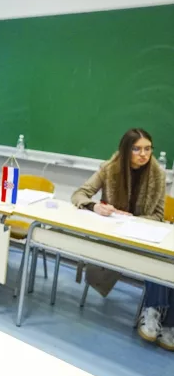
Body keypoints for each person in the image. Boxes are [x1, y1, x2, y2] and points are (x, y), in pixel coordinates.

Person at [71, 128, 173, 351]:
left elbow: (157, 215)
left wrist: (134, 220)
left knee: (165, 259)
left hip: (143, 236)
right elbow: (79, 194)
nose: (143, 154)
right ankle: (158, 315)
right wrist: (95, 206)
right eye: (137, 149)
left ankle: (159, 317)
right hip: (114, 237)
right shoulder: (109, 169)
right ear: (126, 150)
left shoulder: (158, 174)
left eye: (148, 149)